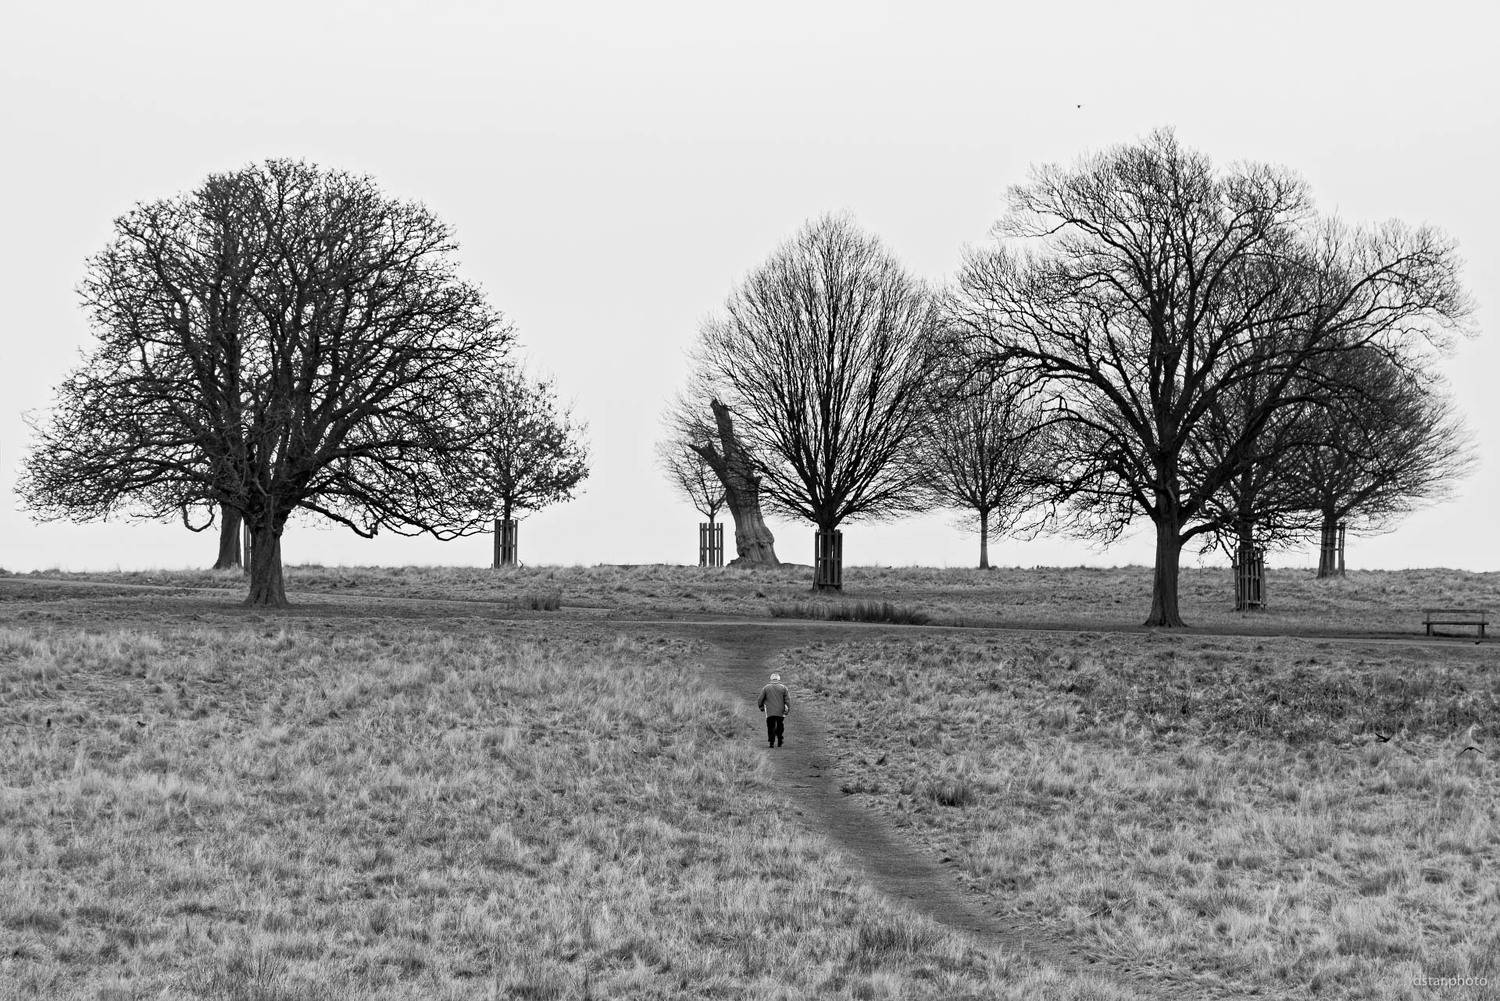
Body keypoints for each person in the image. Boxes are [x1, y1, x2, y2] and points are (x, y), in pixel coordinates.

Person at [758, 671, 791, 748]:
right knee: (780, 725)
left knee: (770, 726)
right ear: (779, 679)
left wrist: (761, 707)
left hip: (769, 712)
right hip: (780, 711)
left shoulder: (766, 688)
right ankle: (780, 739)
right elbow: (788, 700)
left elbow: (760, 699)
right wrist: (787, 709)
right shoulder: (784, 688)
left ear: (771, 679)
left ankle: (771, 742)